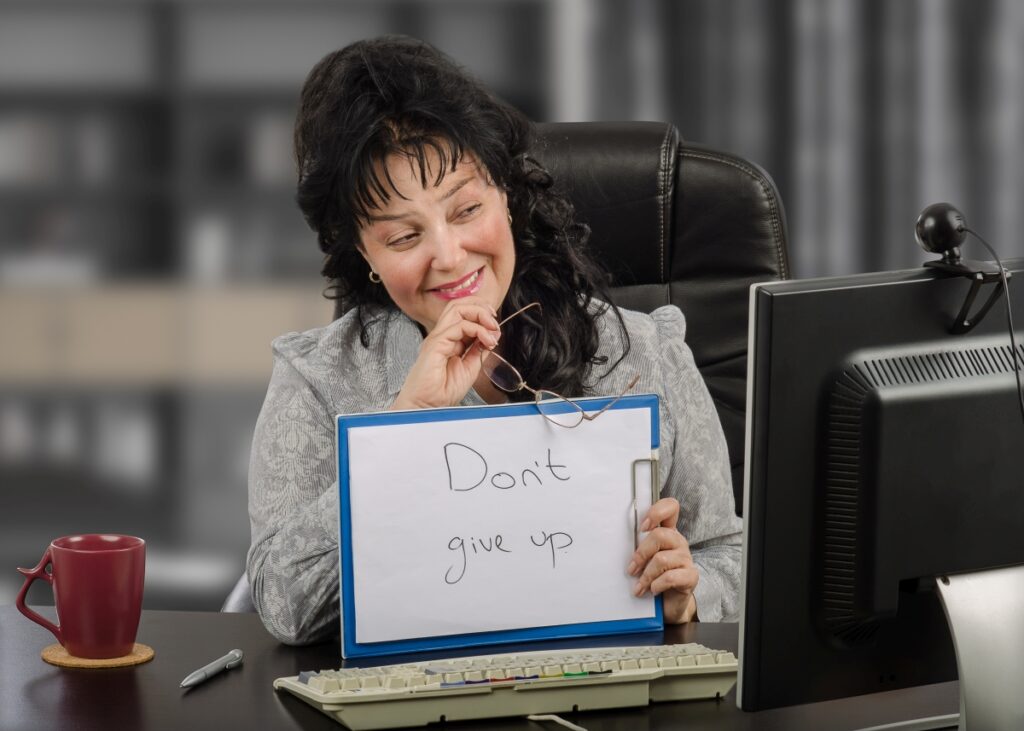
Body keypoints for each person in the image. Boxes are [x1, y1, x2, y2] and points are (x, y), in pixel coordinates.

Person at [247, 35, 742, 645]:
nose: (450, 258)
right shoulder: (317, 379)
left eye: (465, 211)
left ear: (506, 194)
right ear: (363, 254)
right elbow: (284, 607)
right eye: (404, 238)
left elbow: (727, 553)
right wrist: (404, 427)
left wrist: (692, 592)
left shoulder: (643, 351)